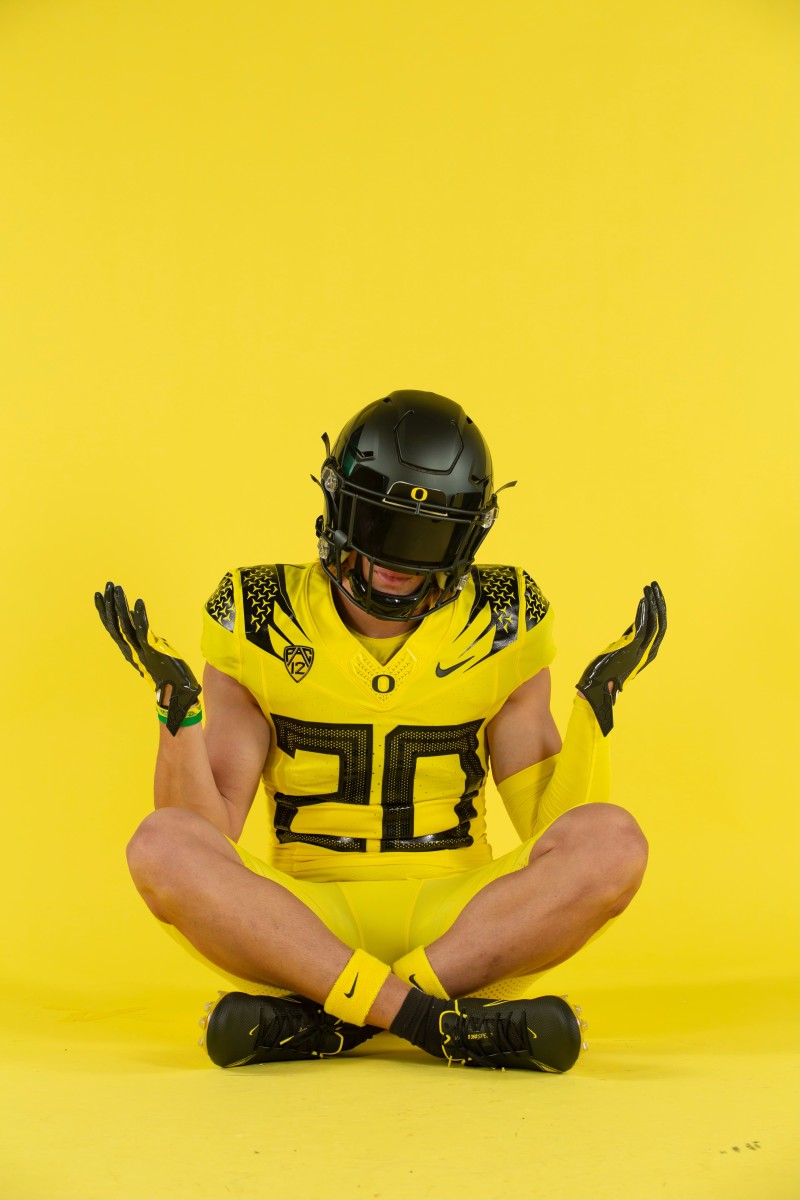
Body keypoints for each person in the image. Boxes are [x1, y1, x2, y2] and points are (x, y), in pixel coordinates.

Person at [95, 389, 666, 1073]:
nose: (399, 560)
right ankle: (434, 1022)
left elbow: (555, 833)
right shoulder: (259, 613)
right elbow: (203, 831)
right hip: (303, 917)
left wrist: (594, 712)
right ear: (340, 510)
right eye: (380, 525)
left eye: (429, 535)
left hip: (461, 922)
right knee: (160, 846)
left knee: (614, 841)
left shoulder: (504, 618)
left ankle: (336, 1018)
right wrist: (178, 712)